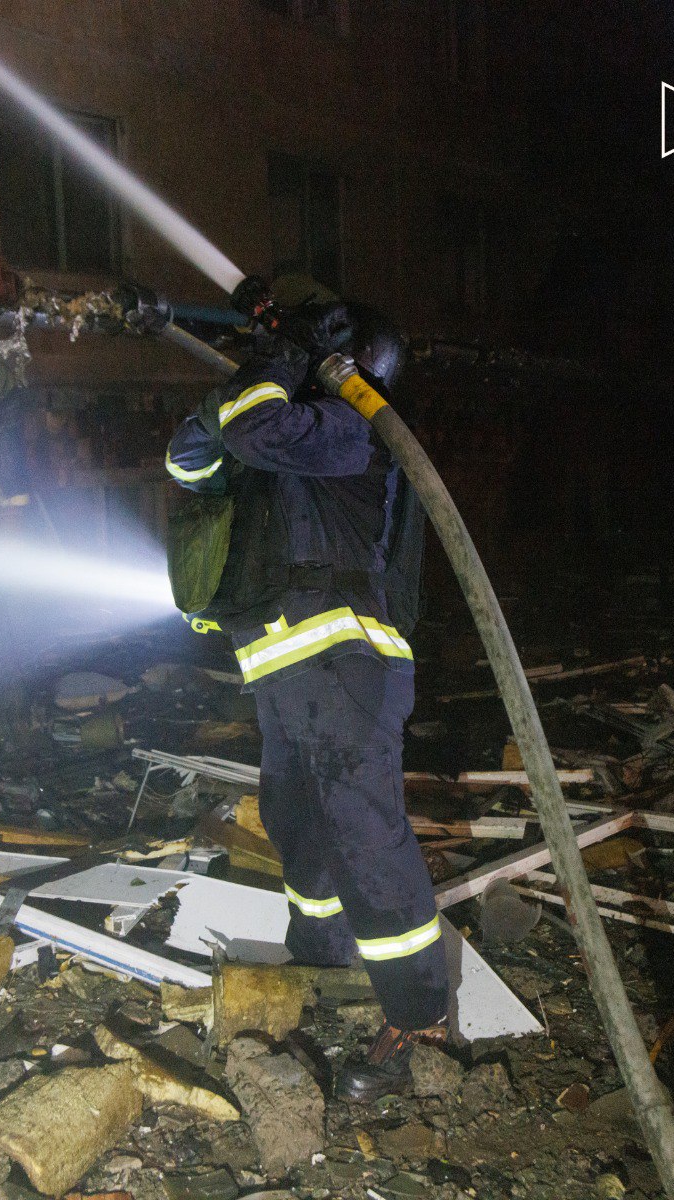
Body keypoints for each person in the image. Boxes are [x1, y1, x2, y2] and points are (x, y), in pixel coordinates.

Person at [164, 281, 448, 1101]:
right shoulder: (274, 442)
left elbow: (252, 427)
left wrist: (279, 360)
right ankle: (323, 961)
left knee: (364, 835)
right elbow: (187, 460)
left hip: (345, 663)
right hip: (287, 669)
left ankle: (420, 1017)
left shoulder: (351, 433)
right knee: (298, 822)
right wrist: (251, 379)